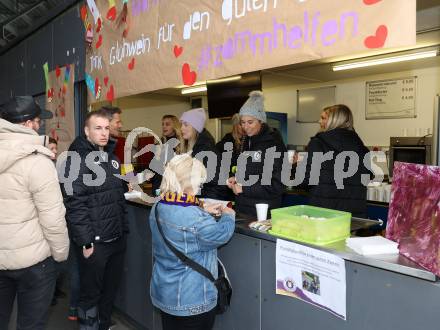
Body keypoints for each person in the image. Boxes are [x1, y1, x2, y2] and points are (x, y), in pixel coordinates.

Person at [0, 96, 69, 330]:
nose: (40, 126)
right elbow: (53, 218)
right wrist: (60, 256)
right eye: (38, 121)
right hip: (34, 262)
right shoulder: (38, 161)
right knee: (31, 325)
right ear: (28, 124)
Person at [149, 154, 235, 330]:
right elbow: (221, 234)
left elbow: (181, 212)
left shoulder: (157, 207)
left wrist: (201, 206)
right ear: (187, 182)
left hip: (165, 293)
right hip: (193, 300)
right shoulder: (194, 218)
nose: (200, 185)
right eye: (198, 181)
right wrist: (228, 216)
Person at [62, 109, 128, 330]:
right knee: (90, 296)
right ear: (86, 131)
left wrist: (123, 229)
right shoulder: (76, 160)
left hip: (116, 238)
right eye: (98, 128)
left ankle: (105, 325)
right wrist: (86, 241)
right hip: (95, 243)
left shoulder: (112, 158)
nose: (103, 133)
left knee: (110, 292)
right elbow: (74, 203)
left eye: (107, 128)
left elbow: (118, 199)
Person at [301, 104, 370, 217]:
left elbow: (308, 179)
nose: (319, 121)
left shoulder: (318, 143)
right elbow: (367, 176)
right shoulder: (361, 147)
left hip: (323, 212)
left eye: (323, 118)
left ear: (334, 121)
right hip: (352, 214)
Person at [227, 91, 287, 217]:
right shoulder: (246, 140)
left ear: (261, 121)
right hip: (243, 207)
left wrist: (244, 188)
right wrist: (236, 178)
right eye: (243, 122)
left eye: (250, 122)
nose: (245, 127)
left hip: (263, 211)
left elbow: (277, 184)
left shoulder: (273, 144)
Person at [180, 108, 228, 200]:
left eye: (186, 125)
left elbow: (216, 186)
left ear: (196, 127)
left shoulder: (208, 151)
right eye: (181, 124)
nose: (182, 128)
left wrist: (203, 204)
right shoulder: (191, 149)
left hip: (205, 204)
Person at [151, 115, 183, 193]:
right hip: (159, 186)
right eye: (163, 124)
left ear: (175, 126)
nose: (164, 127)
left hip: (176, 187)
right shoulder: (159, 144)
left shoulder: (182, 144)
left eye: (167, 124)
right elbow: (153, 167)